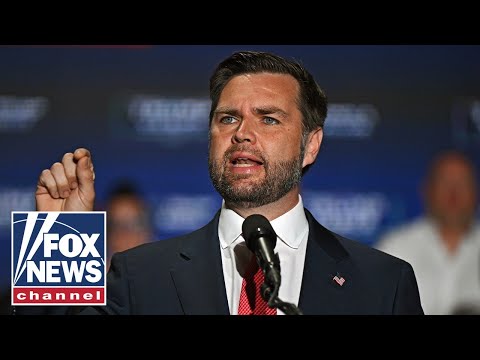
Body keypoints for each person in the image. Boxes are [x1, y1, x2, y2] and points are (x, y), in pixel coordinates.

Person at [27, 50, 423, 315]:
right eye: (228, 118)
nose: (242, 133)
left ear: (311, 145)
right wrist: (57, 237)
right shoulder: (140, 276)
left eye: (268, 119)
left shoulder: (383, 284)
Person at [376, 150, 480, 315]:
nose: (454, 194)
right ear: (427, 190)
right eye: (445, 183)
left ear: (476, 191)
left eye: (462, 183)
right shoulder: (395, 249)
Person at [103, 181, 154, 270]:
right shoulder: (91, 278)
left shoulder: (168, 279)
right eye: (117, 225)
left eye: (135, 224)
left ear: (148, 231)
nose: (126, 234)